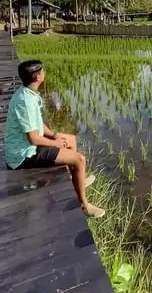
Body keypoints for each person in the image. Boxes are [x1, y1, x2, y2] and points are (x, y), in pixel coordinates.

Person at [4, 59, 105, 219]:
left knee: (71, 139)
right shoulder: (26, 101)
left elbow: (36, 123)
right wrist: (55, 143)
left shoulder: (26, 92)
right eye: (42, 71)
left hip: (27, 146)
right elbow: (33, 138)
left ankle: (76, 180)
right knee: (79, 159)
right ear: (37, 77)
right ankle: (84, 205)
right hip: (23, 155)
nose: (44, 73)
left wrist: (53, 134)